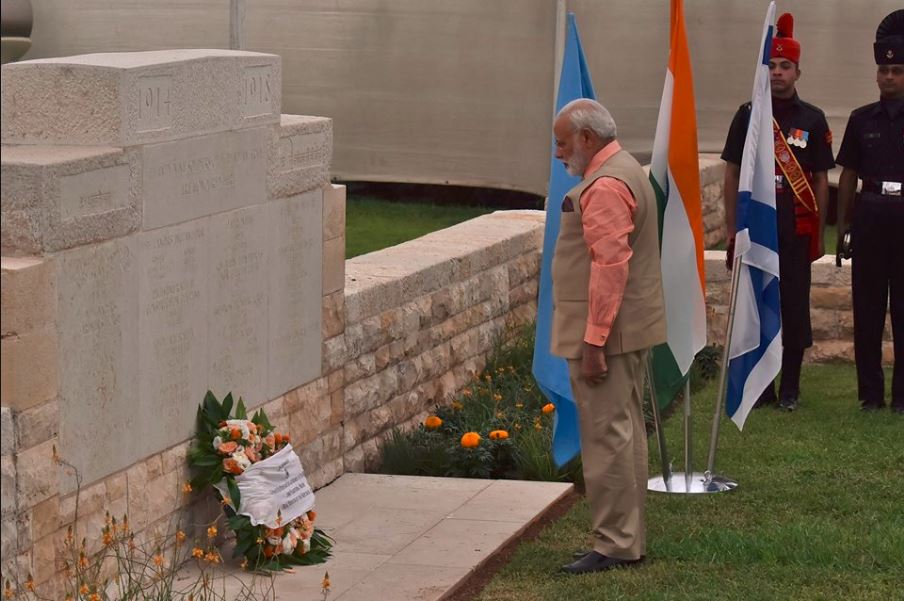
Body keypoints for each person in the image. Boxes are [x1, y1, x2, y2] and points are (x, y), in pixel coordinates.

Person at [549, 98, 666, 575]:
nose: (558, 152)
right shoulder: (625, 168)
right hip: (625, 327)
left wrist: (594, 342)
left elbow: (610, 265)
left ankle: (616, 543)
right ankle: (625, 537)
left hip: (607, 334)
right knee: (622, 432)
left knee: (606, 437)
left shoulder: (605, 185)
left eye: (562, 143)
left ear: (587, 138)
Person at [721, 12, 834, 412]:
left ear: (798, 72)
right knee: (757, 301)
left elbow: (820, 179)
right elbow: (732, 172)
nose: (777, 73)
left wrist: (818, 232)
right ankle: (761, 385)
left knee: (794, 305)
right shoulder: (747, 115)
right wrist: (732, 227)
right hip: (757, 224)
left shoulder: (812, 119)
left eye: (785, 66)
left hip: (795, 225)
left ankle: (790, 388)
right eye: (771, 65)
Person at [835, 9, 904, 414]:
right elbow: (848, 175)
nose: (889, 77)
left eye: (897, 70)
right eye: (884, 70)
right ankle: (871, 395)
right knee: (868, 309)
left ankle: (902, 397)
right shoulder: (861, 120)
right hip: (871, 217)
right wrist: (845, 226)